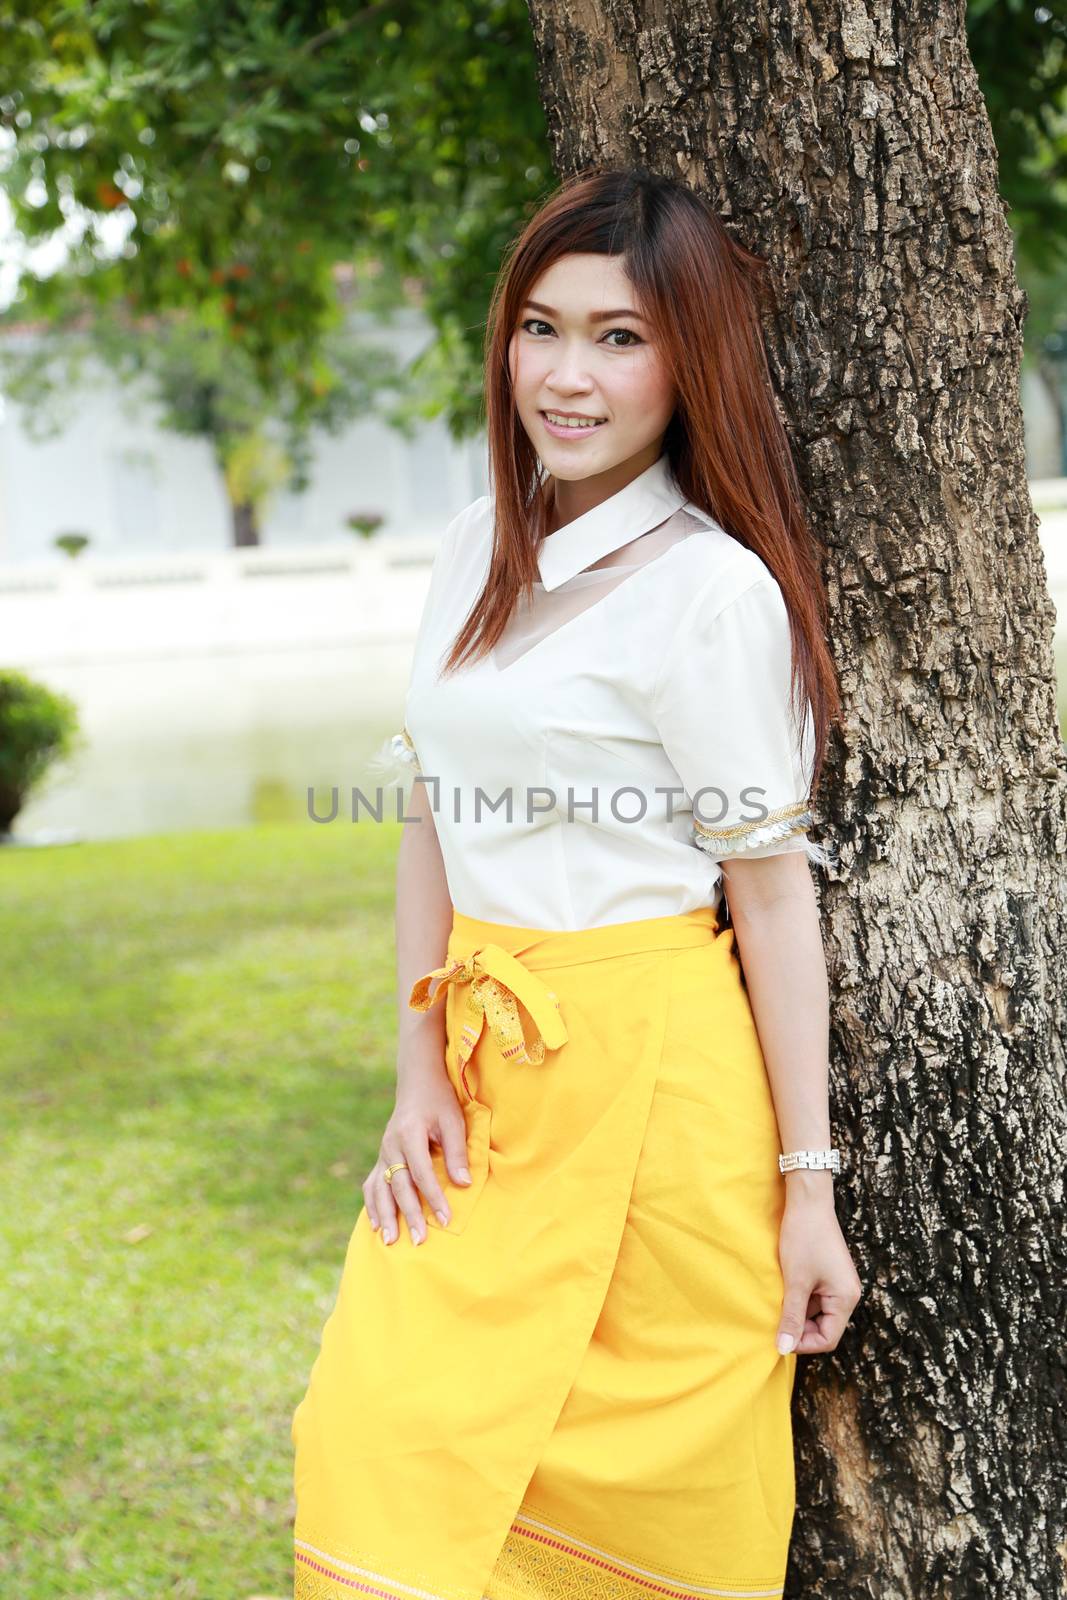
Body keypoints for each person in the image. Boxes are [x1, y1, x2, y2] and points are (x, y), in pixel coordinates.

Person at [291, 165, 863, 1600]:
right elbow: (429, 808)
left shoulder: (711, 593)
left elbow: (772, 897)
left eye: (621, 338)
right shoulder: (474, 543)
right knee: (377, 1436)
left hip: (657, 1096)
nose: (568, 374)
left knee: (638, 1519)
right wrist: (415, 1068)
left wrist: (809, 1189)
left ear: (689, 360)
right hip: (488, 1073)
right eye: (542, 327)